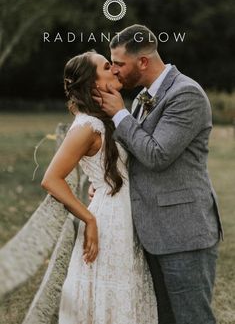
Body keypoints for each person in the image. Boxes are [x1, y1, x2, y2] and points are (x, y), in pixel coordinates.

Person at [93, 24, 223, 324]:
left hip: (184, 233)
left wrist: (119, 114)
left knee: (192, 318)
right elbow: (135, 155)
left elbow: (156, 155)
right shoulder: (143, 97)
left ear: (143, 62)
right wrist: (105, 182)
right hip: (153, 230)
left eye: (120, 64)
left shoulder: (185, 94)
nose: (115, 71)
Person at [41, 51, 158, 324]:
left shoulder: (107, 119)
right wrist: (89, 217)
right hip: (109, 219)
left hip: (127, 214)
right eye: (107, 67)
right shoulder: (87, 126)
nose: (115, 70)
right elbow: (51, 179)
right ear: (94, 83)